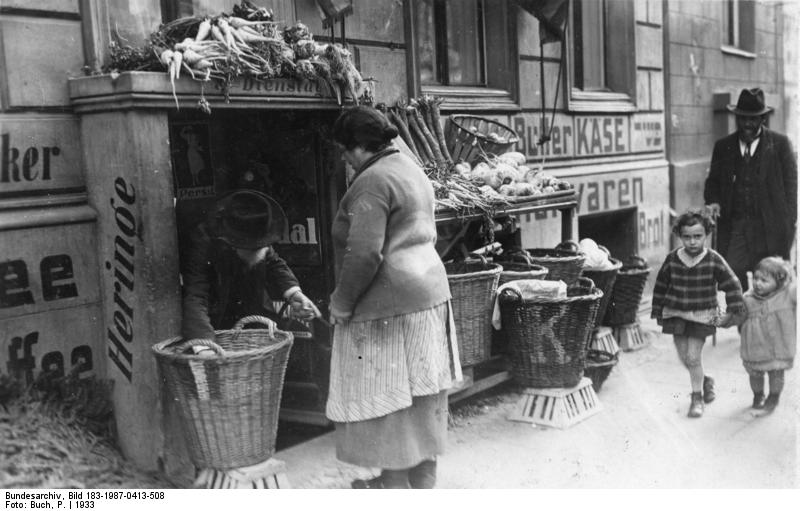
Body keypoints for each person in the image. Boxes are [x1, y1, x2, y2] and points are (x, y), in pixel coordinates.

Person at [325, 106, 461, 489]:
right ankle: (421, 477)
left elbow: (364, 253)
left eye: (344, 150)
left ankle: (394, 483)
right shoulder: (409, 165)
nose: (343, 159)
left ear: (359, 147)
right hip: (429, 292)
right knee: (423, 390)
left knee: (390, 393)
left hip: (391, 302)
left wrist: (341, 303)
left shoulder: (372, 181)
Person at [181, 189, 319, 350]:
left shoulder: (257, 231)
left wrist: (295, 294)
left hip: (249, 316)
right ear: (233, 242)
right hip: (214, 321)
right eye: (253, 248)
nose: (262, 250)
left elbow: (274, 262)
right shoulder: (203, 241)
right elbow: (196, 296)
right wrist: (204, 347)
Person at [651, 209, 745, 418]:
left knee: (693, 358)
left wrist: (732, 312)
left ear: (706, 235)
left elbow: (733, 284)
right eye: (687, 237)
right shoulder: (673, 259)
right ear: (679, 235)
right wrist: (658, 310)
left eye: (697, 236)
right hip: (676, 313)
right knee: (685, 358)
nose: (692, 242)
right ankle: (706, 380)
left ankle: (697, 398)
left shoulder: (713, 259)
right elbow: (660, 286)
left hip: (703, 314)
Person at [704, 87, 797, 289]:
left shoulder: (780, 144)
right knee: (732, 279)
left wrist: (788, 228)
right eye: (743, 118)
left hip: (769, 230)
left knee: (769, 283)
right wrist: (713, 202)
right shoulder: (723, 146)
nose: (747, 123)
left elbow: (791, 190)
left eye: (753, 119)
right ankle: (743, 318)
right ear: (736, 117)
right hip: (736, 227)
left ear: (762, 119)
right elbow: (712, 183)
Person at [735, 257, 796, 413]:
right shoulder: (748, 299)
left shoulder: (787, 295)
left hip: (779, 347)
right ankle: (758, 395)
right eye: (755, 278)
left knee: (776, 373)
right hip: (755, 346)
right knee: (755, 374)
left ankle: (773, 397)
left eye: (764, 280)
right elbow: (737, 317)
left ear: (779, 282)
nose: (757, 283)